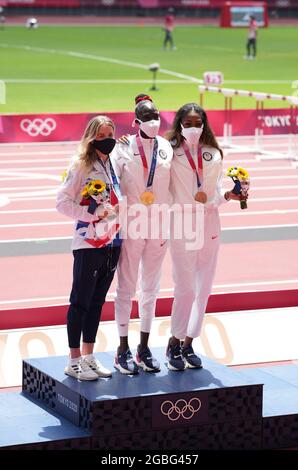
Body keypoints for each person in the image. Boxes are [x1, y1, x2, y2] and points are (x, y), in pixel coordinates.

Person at [165, 103, 248, 371]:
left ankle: (189, 342)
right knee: (185, 287)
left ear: (204, 124)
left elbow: (216, 191)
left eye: (197, 122)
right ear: (179, 123)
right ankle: (174, 341)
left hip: (210, 225)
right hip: (182, 225)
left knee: (203, 289)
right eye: (187, 123)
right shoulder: (169, 152)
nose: (192, 128)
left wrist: (228, 196)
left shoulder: (213, 153)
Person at [110, 94, 173, 374]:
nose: (154, 122)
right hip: (133, 224)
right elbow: (110, 183)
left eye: (156, 116)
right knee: (126, 286)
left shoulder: (167, 148)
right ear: (136, 122)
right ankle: (121, 348)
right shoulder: (122, 148)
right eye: (147, 118)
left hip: (159, 226)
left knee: (152, 288)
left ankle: (143, 348)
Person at [56, 115, 122, 381]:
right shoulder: (80, 165)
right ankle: (73, 360)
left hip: (114, 241)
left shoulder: (114, 162)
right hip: (88, 243)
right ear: (92, 137)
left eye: (111, 135)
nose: (108, 140)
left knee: (97, 302)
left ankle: (88, 356)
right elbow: (62, 203)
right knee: (80, 302)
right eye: (102, 136)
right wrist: (93, 215)